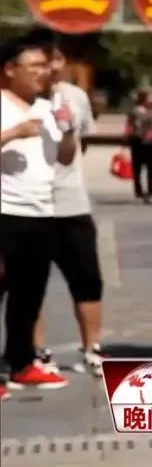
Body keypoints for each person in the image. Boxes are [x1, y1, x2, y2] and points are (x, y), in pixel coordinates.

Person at [0, 33, 76, 391]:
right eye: (34, 66)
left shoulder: (46, 108)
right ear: (9, 69)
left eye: (45, 66)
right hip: (4, 211)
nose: (43, 72)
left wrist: (68, 129)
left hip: (42, 213)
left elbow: (66, 158)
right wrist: (14, 132)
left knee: (28, 295)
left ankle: (20, 363)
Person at [31, 36, 105, 376]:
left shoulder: (75, 97)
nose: (51, 67)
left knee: (87, 279)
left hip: (72, 202)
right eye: (43, 60)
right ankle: (37, 351)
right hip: (28, 205)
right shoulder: (15, 100)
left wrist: (68, 129)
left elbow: (78, 147)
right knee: (29, 284)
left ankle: (92, 348)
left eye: (57, 59)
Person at [124, 88, 152, 205]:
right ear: (143, 98)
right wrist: (126, 139)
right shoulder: (135, 111)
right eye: (151, 96)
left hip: (151, 143)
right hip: (138, 141)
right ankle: (139, 192)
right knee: (137, 168)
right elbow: (129, 126)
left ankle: (150, 193)